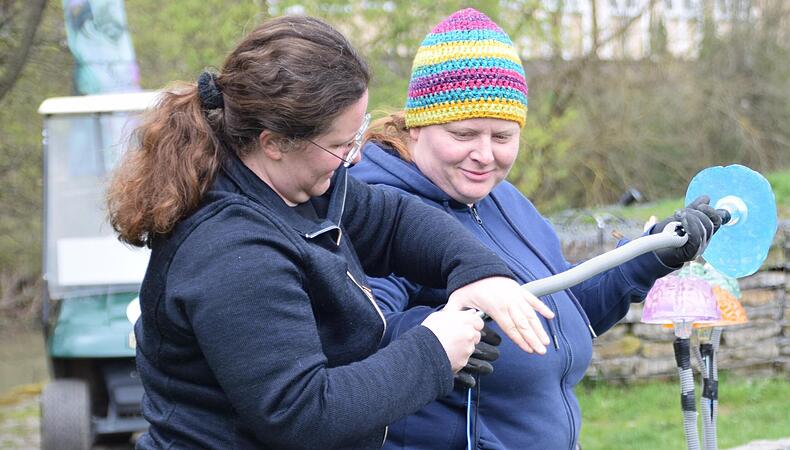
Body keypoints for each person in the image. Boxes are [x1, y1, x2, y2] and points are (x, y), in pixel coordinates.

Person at [106, 15, 557, 450]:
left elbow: (395, 222)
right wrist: (433, 351)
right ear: (274, 143)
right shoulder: (232, 251)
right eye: (340, 144)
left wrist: (476, 270)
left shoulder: (304, 188)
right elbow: (303, 414)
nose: (355, 157)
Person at [350, 8, 722, 450]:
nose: (484, 155)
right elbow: (357, 332)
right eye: (464, 134)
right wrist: (434, 336)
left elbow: (562, 310)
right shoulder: (380, 211)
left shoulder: (503, 200)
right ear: (417, 127)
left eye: (502, 137)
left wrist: (649, 255)